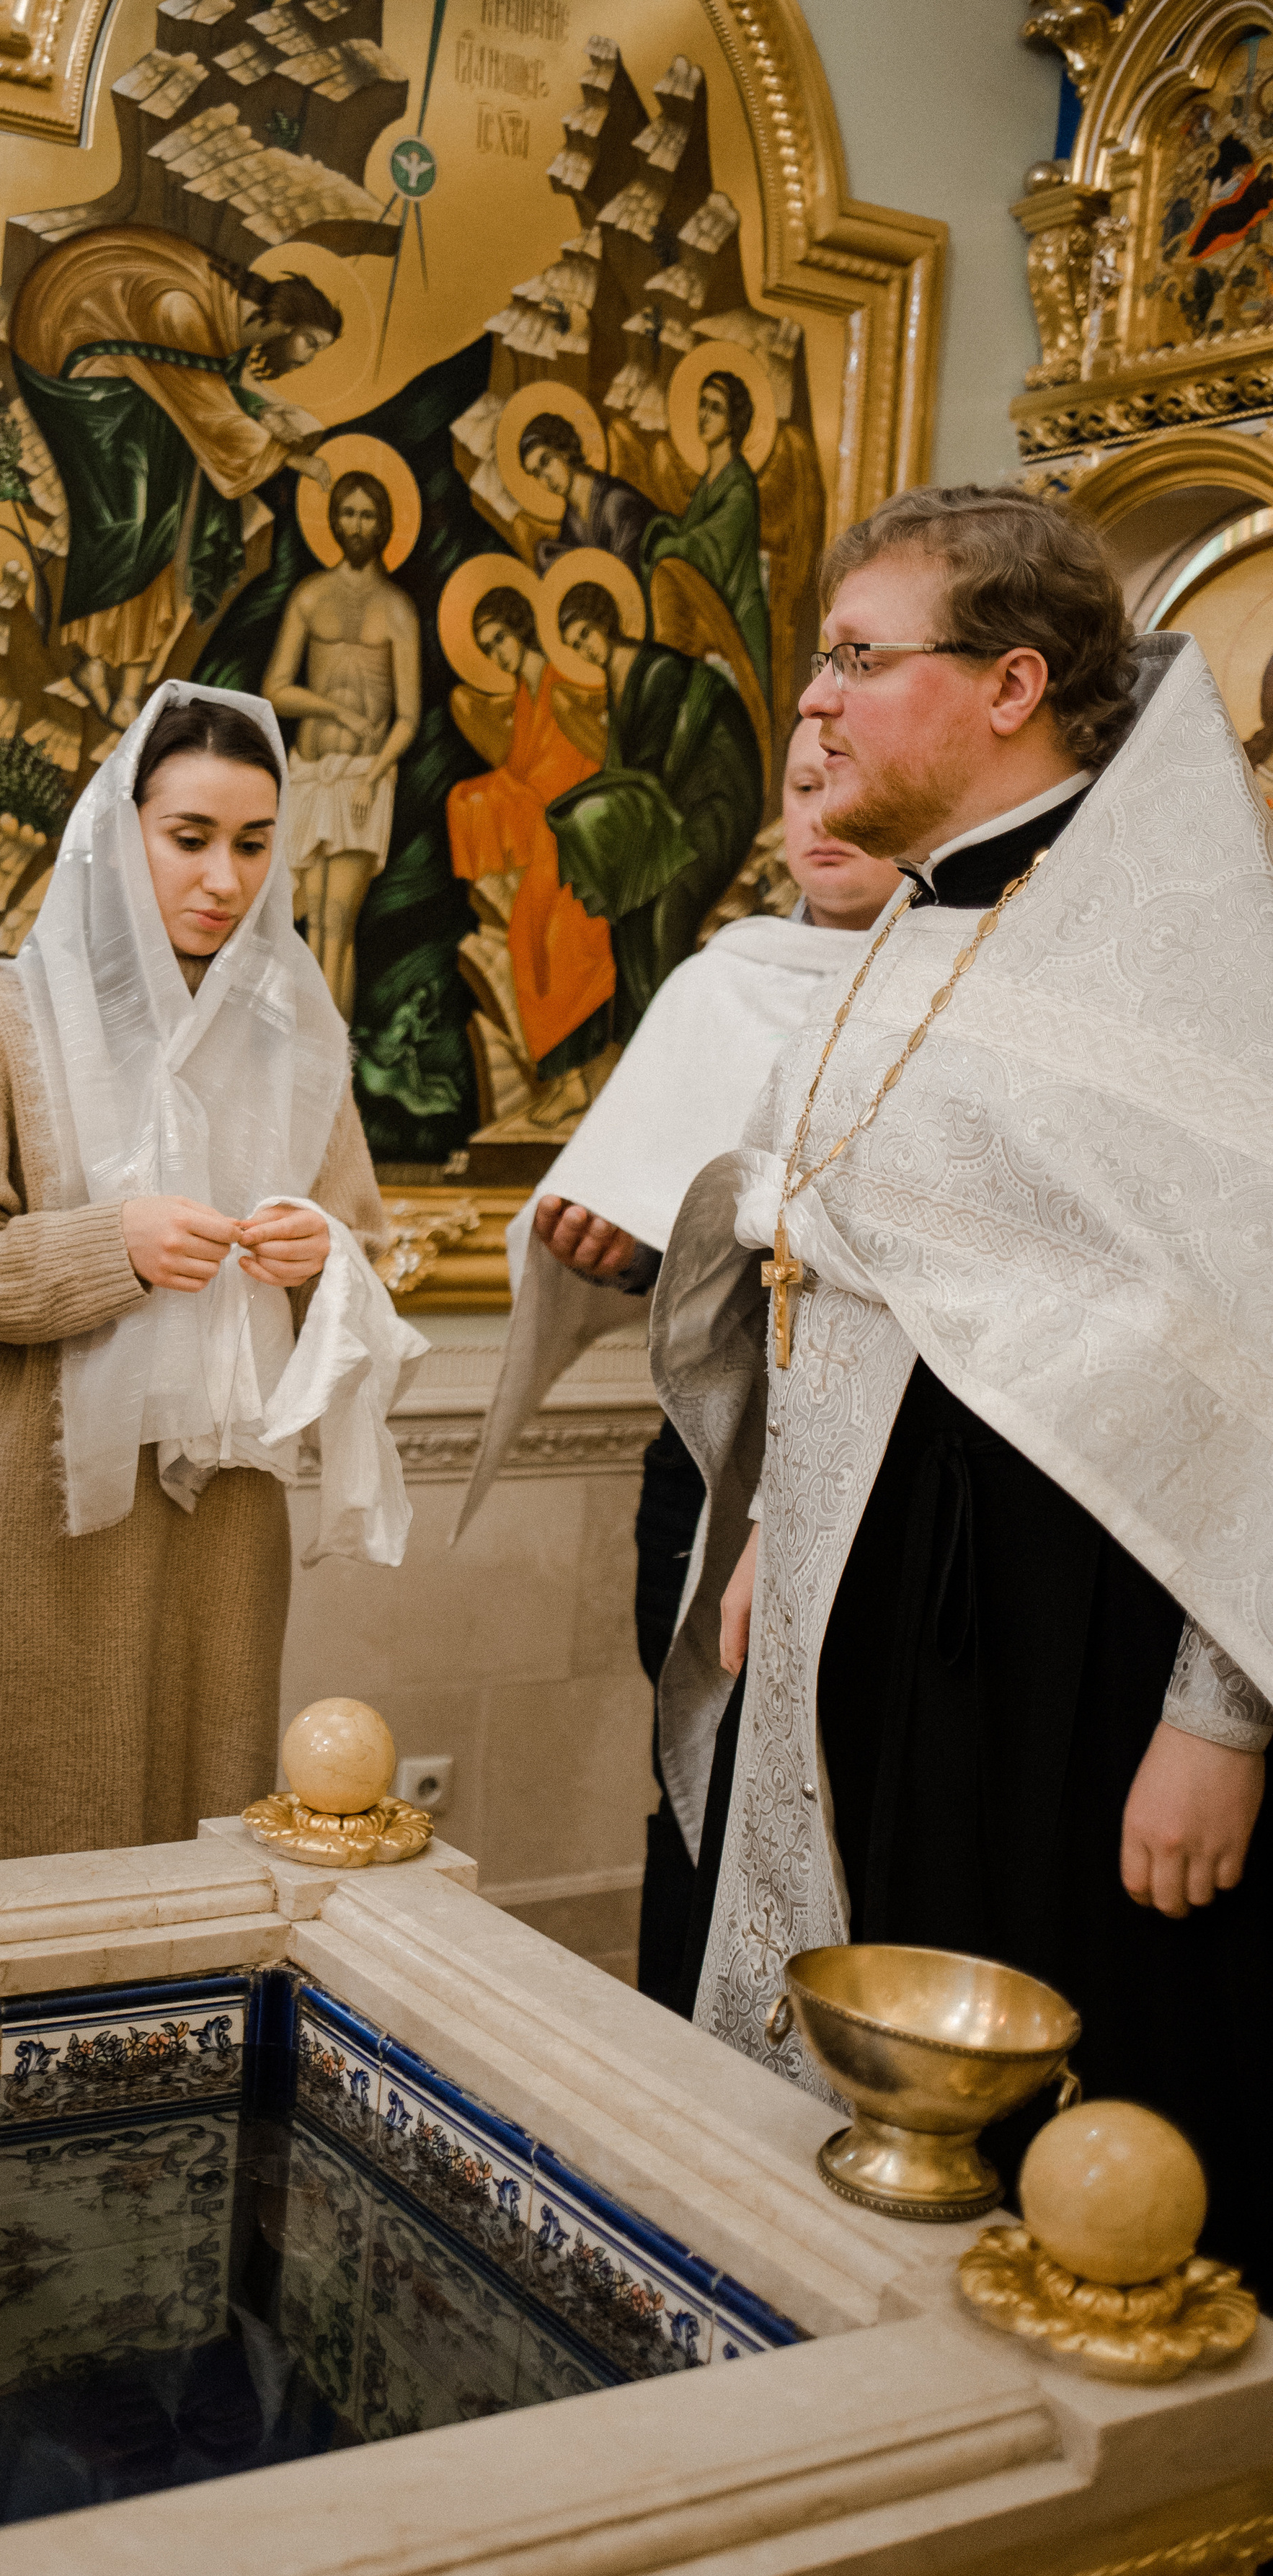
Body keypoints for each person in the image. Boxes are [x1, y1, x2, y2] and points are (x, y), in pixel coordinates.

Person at [650, 486, 1273, 2317]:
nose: (815, 702)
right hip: (878, 1634)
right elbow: (868, 1274)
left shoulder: (1184, 965)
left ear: (1010, 684)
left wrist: (1218, 1715)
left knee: (1056, 2145)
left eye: (857, 655)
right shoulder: (926, 924)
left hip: (1068, 1683)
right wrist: (779, 1519)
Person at [0, 685, 422, 1862]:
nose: (223, 879)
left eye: (253, 844)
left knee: (202, 1833)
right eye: (189, 839)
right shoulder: (3, 1018)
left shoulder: (298, 1036)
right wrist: (114, 1245)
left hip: (223, 1523)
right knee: (17, 1847)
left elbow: (360, 1252)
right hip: (39, 1505)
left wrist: (315, 1256)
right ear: (117, 830)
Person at [458, 721, 901, 1997]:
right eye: (803, 787)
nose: (823, 815)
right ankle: (679, 2052)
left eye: (853, 787)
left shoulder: (961, 992)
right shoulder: (724, 980)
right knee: (698, 1763)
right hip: (713, 1457)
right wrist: (620, 1251)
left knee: (840, 1784)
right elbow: (666, 1216)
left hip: (869, 1460)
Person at [11, 231, 339, 733]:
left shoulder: (227, 321)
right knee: (127, 519)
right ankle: (97, 664)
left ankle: (119, 679)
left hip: (136, 384)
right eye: (311, 343)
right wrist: (292, 459)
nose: (309, 357)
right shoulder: (184, 312)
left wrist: (262, 413)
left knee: (169, 516)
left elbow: (210, 394)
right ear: (288, 321)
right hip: (76, 371)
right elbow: (206, 408)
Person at [543, 580, 764, 1059]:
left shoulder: (658, 669)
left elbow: (646, 768)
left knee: (668, 905)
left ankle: (677, 1049)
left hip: (713, 807)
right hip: (668, 813)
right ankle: (639, 1044)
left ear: (606, 622)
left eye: (585, 634)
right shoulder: (618, 683)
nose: (585, 649)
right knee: (626, 912)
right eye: (576, 645)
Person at [263, 469, 421, 1018]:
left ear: (384, 526)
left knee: (337, 926)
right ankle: (300, 1067)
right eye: (349, 513)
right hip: (310, 773)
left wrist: (375, 774)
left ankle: (331, 1076)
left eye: (369, 515)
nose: (358, 525)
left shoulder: (397, 609)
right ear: (333, 521)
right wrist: (335, 710)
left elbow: (408, 716)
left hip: (362, 779)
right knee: (305, 926)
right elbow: (276, 690)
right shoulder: (310, 597)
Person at [445, 581, 613, 1072]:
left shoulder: (566, 679)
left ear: (522, 631)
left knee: (551, 934)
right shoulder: (524, 693)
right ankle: (559, 1070)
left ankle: (573, 1070)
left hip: (575, 824)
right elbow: (522, 768)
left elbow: (589, 751)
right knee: (525, 929)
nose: (497, 654)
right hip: (545, 824)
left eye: (500, 640)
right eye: (488, 648)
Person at [641, 370, 769, 688]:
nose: (704, 415)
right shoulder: (708, 483)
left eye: (716, 408)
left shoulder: (739, 485)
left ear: (732, 422)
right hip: (712, 611)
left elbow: (710, 547)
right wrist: (665, 529)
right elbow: (692, 533)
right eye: (702, 404)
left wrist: (665, 544)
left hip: (736, 620)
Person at [520, 414, 657, 577]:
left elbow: (626, 575)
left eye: (546, 461)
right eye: (536, 474)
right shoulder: (572, 520)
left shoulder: (616, 501)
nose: (546, 478)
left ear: (564, 451)